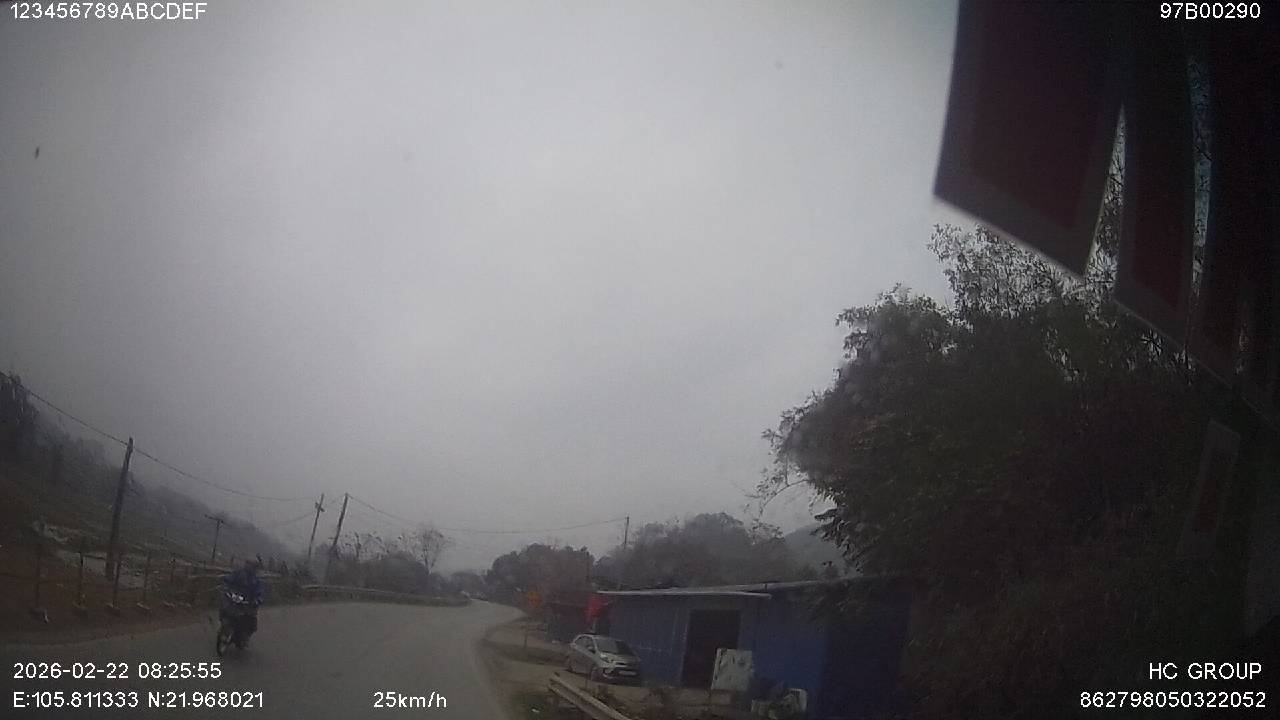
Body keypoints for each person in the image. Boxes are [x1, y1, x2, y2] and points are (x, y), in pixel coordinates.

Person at [220, 557, 266, 642]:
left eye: (251, 565)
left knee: (249, 618)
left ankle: (244, 636)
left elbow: (260, 592)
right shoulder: (238, 573)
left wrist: (257, 600)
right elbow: (228, 579)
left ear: (255, 568)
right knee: (224, 608)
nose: (248, 566)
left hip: (248, 602)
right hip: (235, 597)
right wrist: (225, 587)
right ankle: (224, 624)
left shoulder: (256, 580)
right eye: (248, 564)